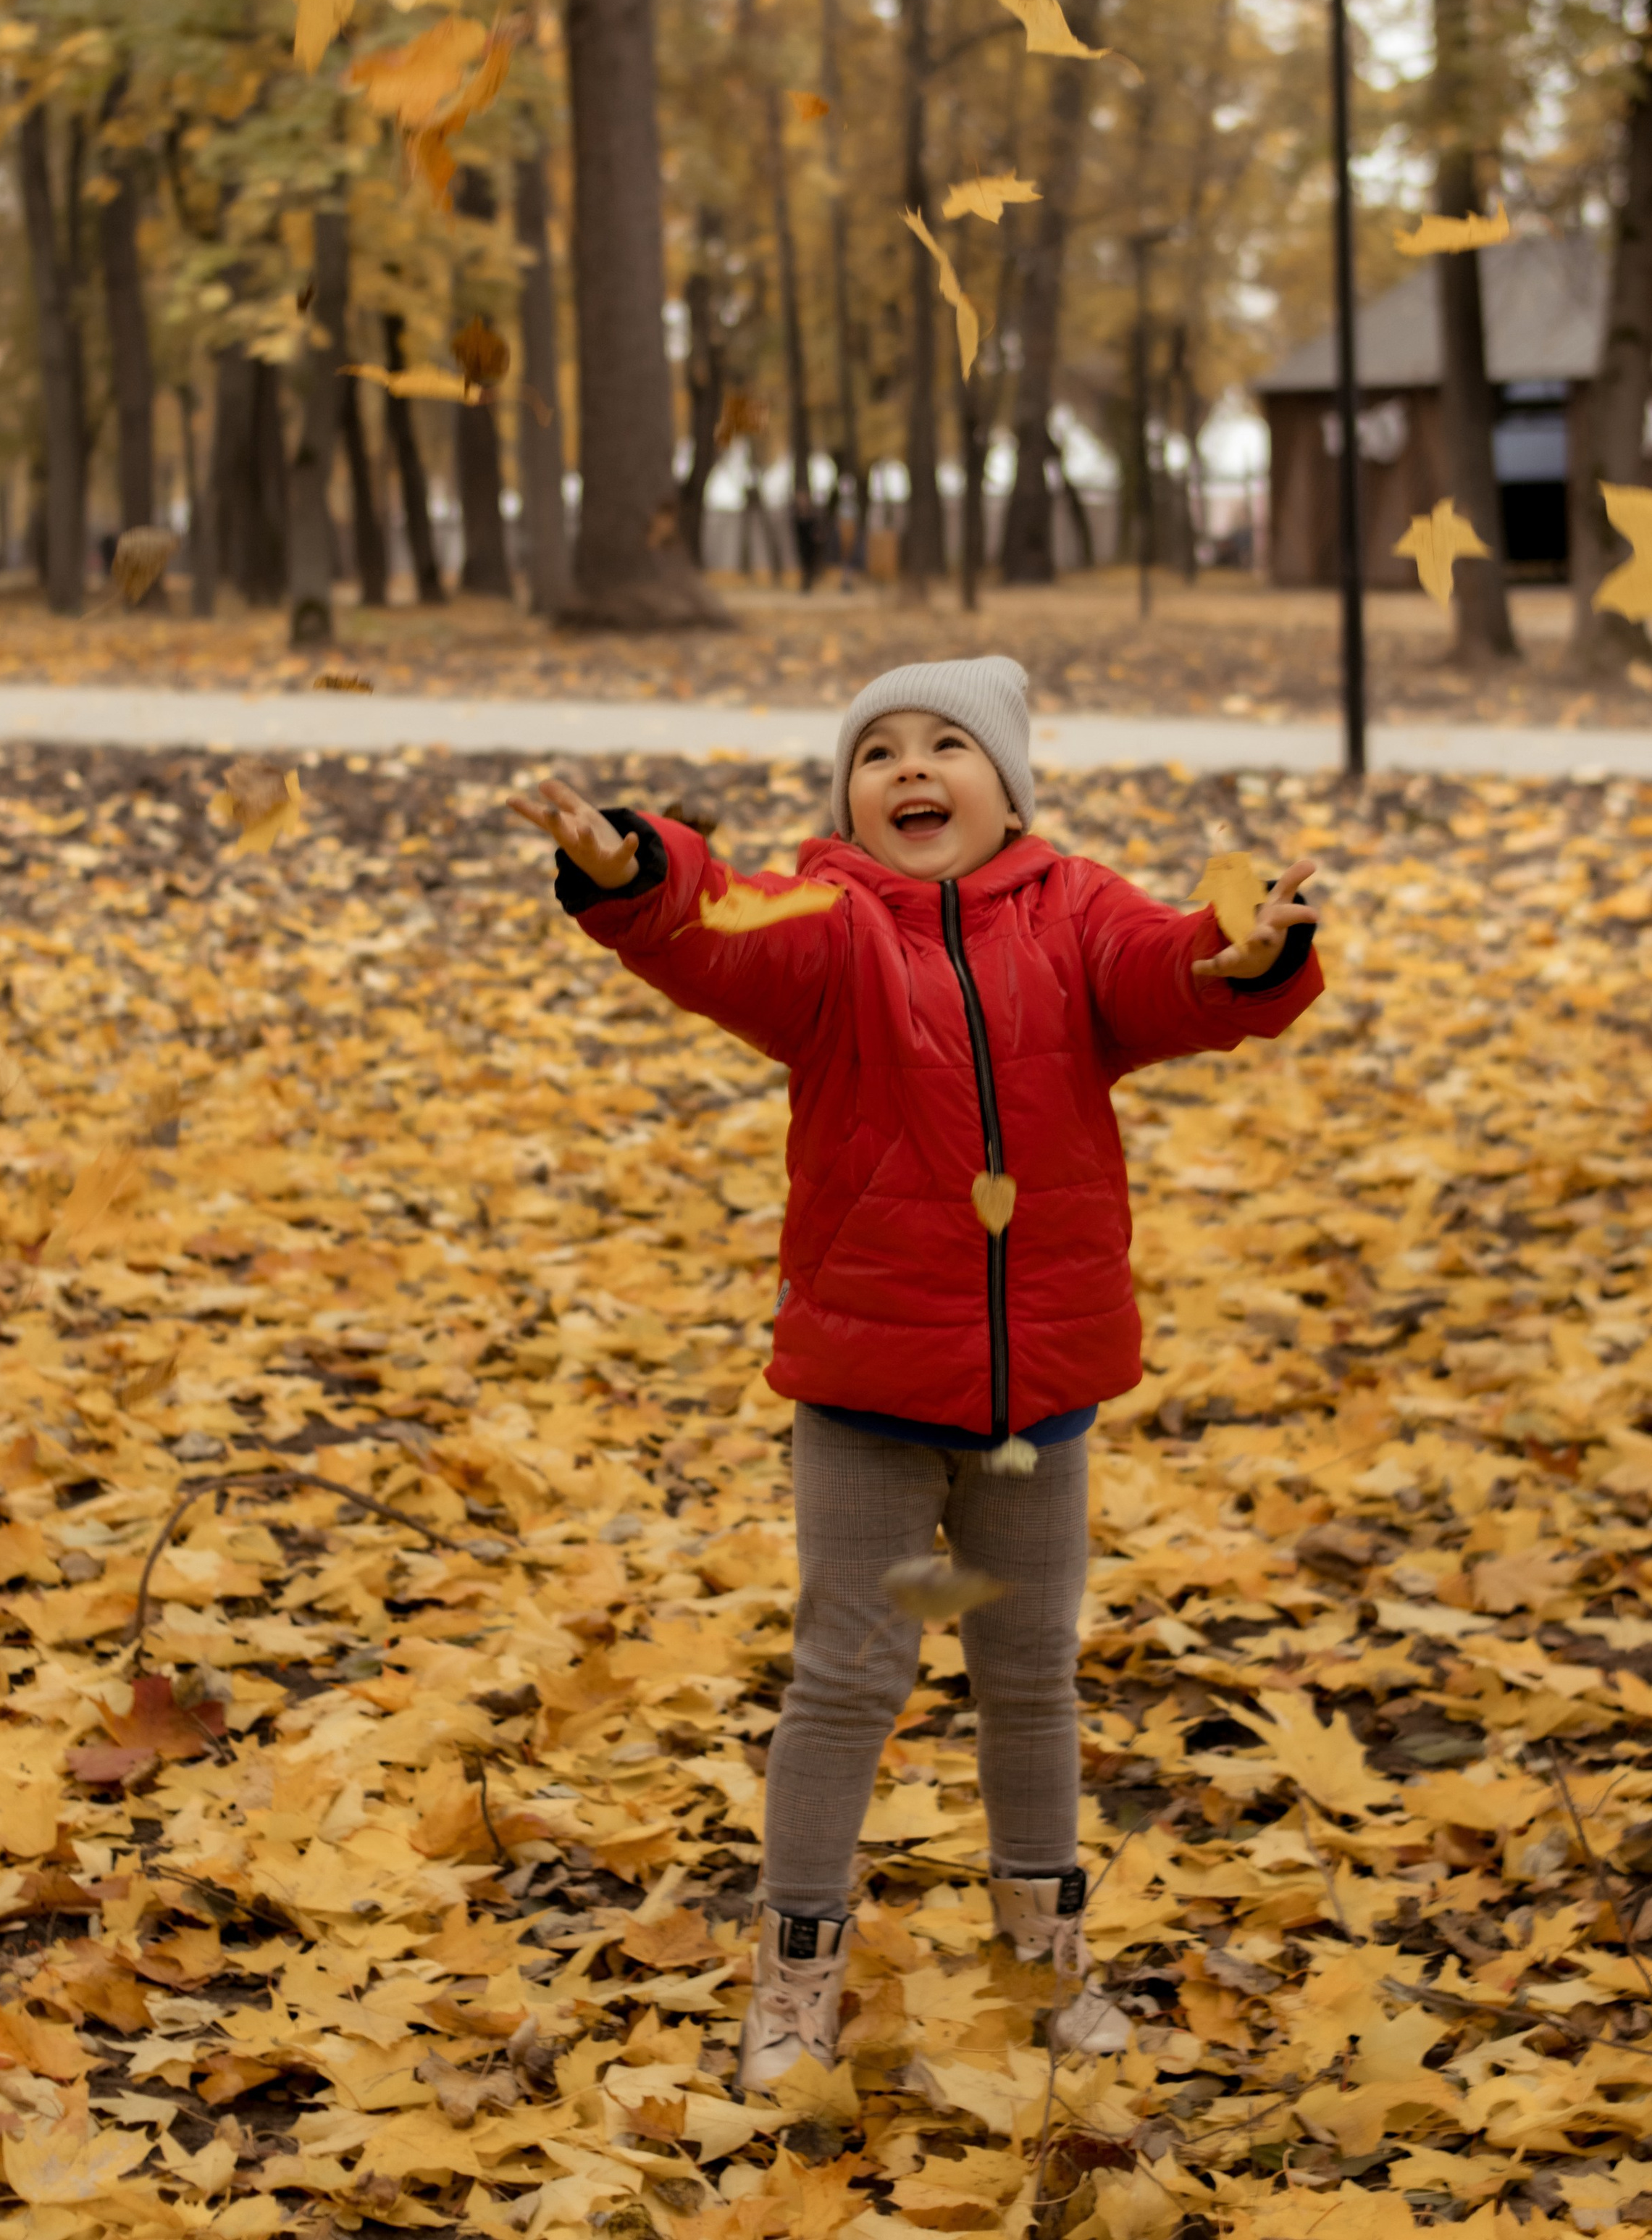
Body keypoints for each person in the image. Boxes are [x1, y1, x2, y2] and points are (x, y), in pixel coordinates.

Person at [509, 657, 1320, 2086]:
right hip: (868, 1391)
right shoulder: (826, 925)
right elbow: (712, 932)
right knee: (844, 1679)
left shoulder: (1078, 915)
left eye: (945, 743)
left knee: (1029, 1679)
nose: (907, 768)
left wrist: (1243, 949)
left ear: (1007, 787)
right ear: (849, 801)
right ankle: (796, 1970)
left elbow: (1172, 973)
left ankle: (1038, 1952)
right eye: (874, 752)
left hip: (1037, 1399)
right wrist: (629, 868)